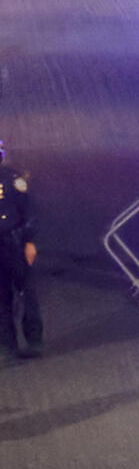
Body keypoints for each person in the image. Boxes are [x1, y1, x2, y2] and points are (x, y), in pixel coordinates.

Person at [0, 139, 42, 361]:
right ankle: (8, 345)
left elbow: (29, 211)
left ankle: (34, 339)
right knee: (2, 298)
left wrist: (29, 241)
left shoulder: (13, 180)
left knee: (26, 292)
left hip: (14, 241)